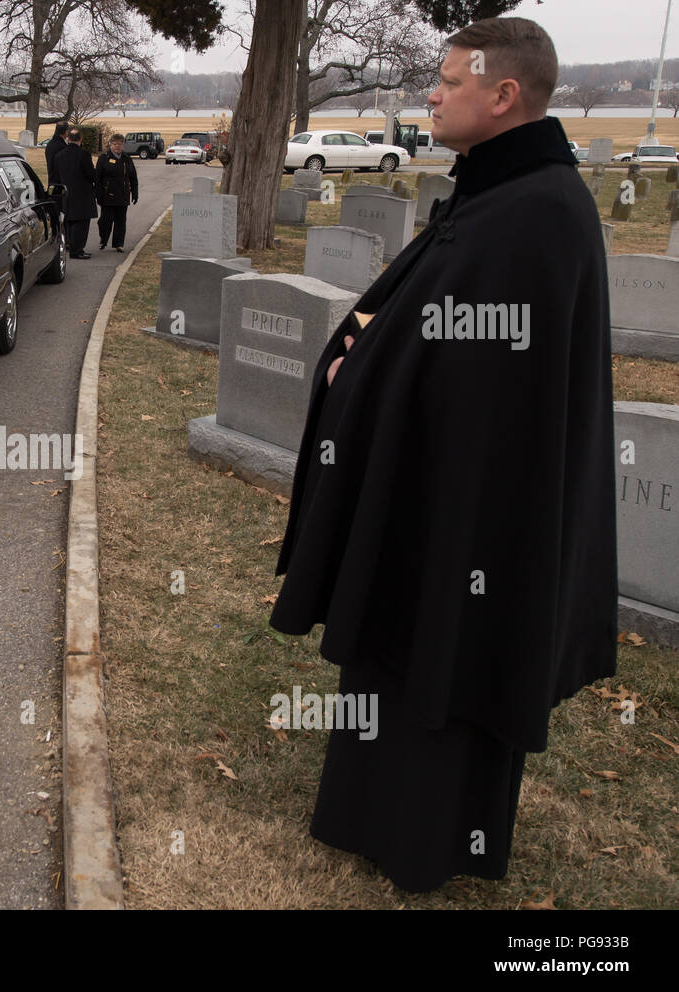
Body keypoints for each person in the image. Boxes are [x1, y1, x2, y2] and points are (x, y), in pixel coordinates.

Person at [268, 16, 617, 893]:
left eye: (448, 79)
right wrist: (365, 359)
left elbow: (496, 392)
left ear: (502, 96)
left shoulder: (539, 211)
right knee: (396, 654)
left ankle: (426, 841)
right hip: (426, 492)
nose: (430, 93)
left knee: (449, 665)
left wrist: (369, 372)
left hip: (477, 520)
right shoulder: (493, 191)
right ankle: (367, 818)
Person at [54, 128, 97, 259]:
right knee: (81, 224)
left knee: (69, 221)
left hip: (66, 193)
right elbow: (91, 175)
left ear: (68, 139)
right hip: (82, 193)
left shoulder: (59, 155)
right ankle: (77, 250)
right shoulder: (84, 154)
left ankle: (70, 245)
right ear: (80, 139)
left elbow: (57, 175)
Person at [94, 133, 138, 252]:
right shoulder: (104, 158)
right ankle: (103, 239)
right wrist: (97, 194)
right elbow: (97, 177)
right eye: (115, 144)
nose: (117, 146)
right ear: (110, 145)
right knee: (105, 220)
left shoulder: (127, 159)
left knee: (120, 220)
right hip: (107, 194)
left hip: (123, 194)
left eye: (119, 144)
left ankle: (119, 244)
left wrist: (135, 193)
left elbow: (133, 177)